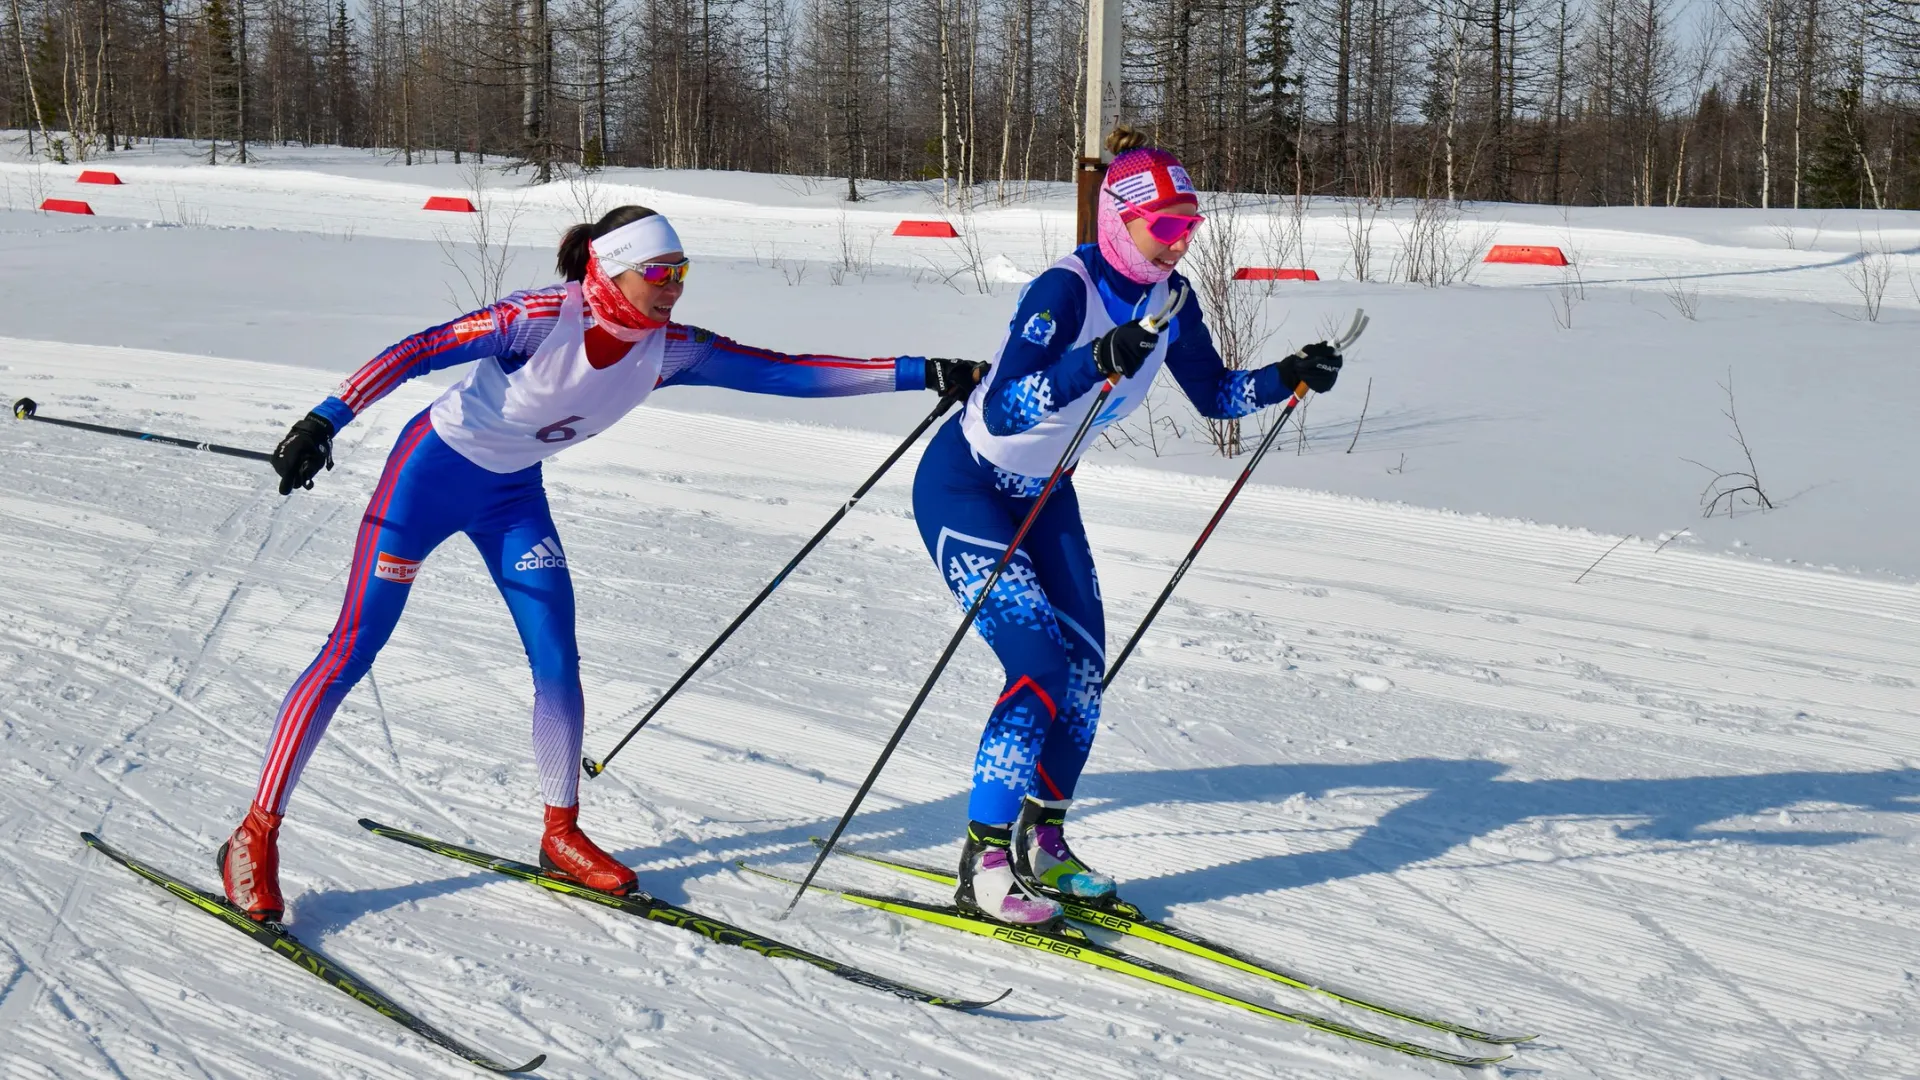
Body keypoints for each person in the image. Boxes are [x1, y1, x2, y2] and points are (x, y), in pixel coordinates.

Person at [221, 206, 984, 922]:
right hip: (427, 479)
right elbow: (419, 349)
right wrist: (325, 420)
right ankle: (254, 836)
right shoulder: (538, 318)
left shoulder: (670, 349)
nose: (674, 288)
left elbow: (787, 370)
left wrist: (922, 371)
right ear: (610, 270)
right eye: (660, 273)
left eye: (683, 272)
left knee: (557, 661)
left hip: (512, 499)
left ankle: (560, 833)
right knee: (354, 649)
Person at [910, 128, 1346, 925]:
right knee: (1036, 662)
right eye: (1167, 226)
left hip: (1048, 491)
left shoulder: (1172, 300)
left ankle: (1044, 842)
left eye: (1192, 226)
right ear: (1119, 219)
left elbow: (1215, 395)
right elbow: (1007, 407)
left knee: (1081, 674)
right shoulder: (1063, 290)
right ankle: (985, 859)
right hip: (967, 484)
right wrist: (1095, 358)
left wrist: (1289, 375)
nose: (1180, 242)